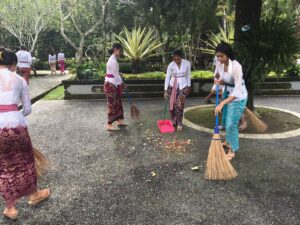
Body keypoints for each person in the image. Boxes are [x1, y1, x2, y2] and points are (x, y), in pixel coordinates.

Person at [0, 50, 50, 220]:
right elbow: (27, 109)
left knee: (4, 165)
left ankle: (11, 208)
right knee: (27, 160)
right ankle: (34, 194)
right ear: (14, 65)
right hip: (17, 124)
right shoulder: (20, 80)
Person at [214, 42, 248, 161]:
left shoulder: (236, 67)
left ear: (228, 55)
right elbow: (220, 77)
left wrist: (222, 103)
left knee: (231, 124)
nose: (219, 58)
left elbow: (237, 91)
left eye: (221, 56)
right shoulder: (220, 63)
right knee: (225, 120)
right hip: (227, 92)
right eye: (218, 56)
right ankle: (228, 142)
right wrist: (219, 81)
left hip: (238, 97)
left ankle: (232, 150)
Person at [164, 50, 191, 132]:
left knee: (180, 105)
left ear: (181, 58)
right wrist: (165, 90)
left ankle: (179, 122)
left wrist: (189, 86)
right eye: (175, 59)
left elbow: (188, 75)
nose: (176, 61)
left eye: (178, 59)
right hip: (172, 86)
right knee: (172, 104)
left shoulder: (187, 63)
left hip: (183, 86)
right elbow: (167, 77)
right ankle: (174, 120)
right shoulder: (171, 65)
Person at [104, 43, 128, 131]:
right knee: (112, 104)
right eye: (120, 50)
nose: (120, 52)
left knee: (118, 102)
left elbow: (115, 74)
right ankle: (109, 124)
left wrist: (120, 80)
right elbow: (115, 75)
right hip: (111, 84)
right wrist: (122, 83)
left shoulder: (113, 59)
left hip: (113, 83)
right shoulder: (112, 60)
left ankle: (119, 120)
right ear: (115, 49)